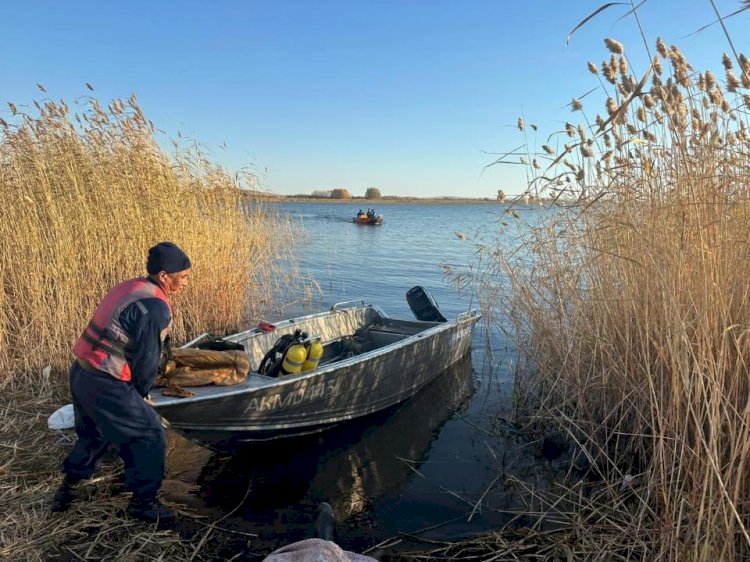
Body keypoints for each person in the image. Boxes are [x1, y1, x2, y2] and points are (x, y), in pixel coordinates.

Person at [50, 241, 192, 526]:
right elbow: (147, 362)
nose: (186, 282)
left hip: (82, 373)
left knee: (95, 434)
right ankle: (144, 504)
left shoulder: (131, 286)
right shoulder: (156, 307)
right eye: (184, 276)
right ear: (164, 276)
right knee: (150, 435)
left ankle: (68, 488)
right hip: (105, 382)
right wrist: (141, 396)